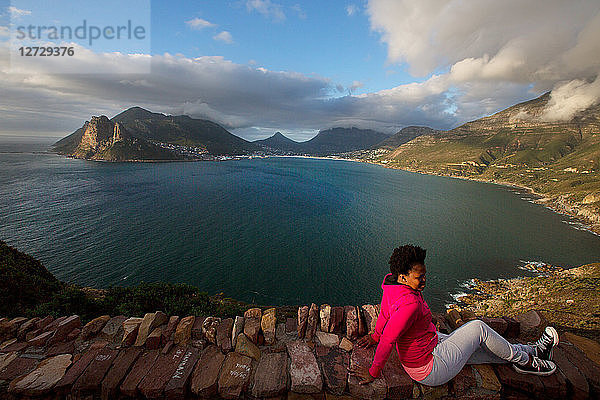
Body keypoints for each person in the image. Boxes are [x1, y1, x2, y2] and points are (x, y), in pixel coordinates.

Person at [348, 244, 559, 386]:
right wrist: (373, 371)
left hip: (429, 348)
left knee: (479, 346)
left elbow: (384, 312)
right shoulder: (409, 304)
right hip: (430, 367)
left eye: (425, 274)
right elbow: (388, 340)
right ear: (403, 277)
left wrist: (374, 335)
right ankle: (526, 362)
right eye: (419, 277)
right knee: (478, 328)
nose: (424, 280)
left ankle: (534, 351)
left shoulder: (391, 284)